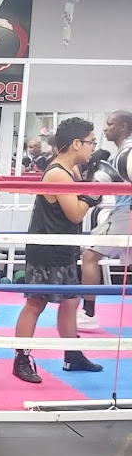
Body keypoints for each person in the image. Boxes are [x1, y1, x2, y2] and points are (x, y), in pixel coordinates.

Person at [12, 116, 104, 384]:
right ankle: (21, 359)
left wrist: (88, 185)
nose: (93, 147)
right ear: (76, 143)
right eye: (90, 142)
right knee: (36, 303)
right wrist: (92, 195)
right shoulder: (57, 173)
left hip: (64, 247)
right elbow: (75, 213)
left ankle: (72, 355)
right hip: (46, 249)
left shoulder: (71, 171)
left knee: (71, 301)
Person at [78, 110, 132, 331]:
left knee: (89, 254)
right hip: (123, 211)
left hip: (127, 213)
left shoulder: (128, 152)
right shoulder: (122, 153)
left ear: (123, 126)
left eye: (110, 124)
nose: (105, 128)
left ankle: (88, 314)